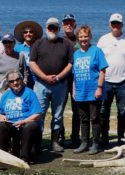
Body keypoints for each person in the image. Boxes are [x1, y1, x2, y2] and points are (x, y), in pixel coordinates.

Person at [30, 17, 74, 153]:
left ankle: (54, 142)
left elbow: (70, 64)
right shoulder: (38, 43)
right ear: (46, 28)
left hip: (60, 85)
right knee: (39, 114)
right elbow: (32, 63)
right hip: (41, 84)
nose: (52, 30)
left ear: (58, 29)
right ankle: (38, 143)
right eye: (50, 27)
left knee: (58, 115)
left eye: (55, 27)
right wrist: (44, 77)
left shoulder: (66, 44)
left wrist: (59, 76)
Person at [97, 13, 125, 147]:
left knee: (122, 111)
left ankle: (121, 136)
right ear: (109, 24)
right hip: (106, 82)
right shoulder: (103, 40)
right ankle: (105, 137)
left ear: (122, 25)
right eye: (113, 23)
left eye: (118, 23)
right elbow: (97, 59)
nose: (115, 26)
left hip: (123, 83)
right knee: (104, 111)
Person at [72, 25, 108, 154]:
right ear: (78, 38)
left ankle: (95, 144)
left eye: (85, 36)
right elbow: (74, 75)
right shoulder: (76, 54)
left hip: (93, 91)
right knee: (84, 119)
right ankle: (84, 143)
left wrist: (99, 88)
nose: (83, 39)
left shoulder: (96, 51)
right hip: (80, 91)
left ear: (90, 37)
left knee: (95, 118)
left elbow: (102, 70)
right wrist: (74, 90)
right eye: (81, 36)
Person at [0, 71, 41, 164]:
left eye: (17, 79)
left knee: (30, 126)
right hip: (11, 124)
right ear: (8, 83)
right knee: (1, 127)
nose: (15, 83)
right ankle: (3, 158)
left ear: (22, 80)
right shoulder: (5, 95)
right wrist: (2, 117)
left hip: (25, 124)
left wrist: (23, 121)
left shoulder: (30, 93)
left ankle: (25, 158)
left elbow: (37, 114)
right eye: (11, 81)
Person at [0, 33, 28, 105]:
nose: (8, 44)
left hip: (18, 88)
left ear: (14, 43)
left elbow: (25, 72)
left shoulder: (20, 56)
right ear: (3, 44)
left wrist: (24, 84)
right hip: (3, 89)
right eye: (5, 42)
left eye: (10, 42)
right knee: (5, 111)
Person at [62, 13, 81, 148]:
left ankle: (75, 136)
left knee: (77, 110)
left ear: (74, 24)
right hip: (62, 80)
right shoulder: (58, 40)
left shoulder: (80, 40)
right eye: (66, 23)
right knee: (59, 110)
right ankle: (60, 136)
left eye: (71, 22)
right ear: (63, 25)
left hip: (77, 80)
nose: (68, 25)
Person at [14, 20, 43, 89]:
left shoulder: (40, 46)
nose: (28, 34)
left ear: (35, 34)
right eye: (25, 32)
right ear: (22, 34)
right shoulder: (17, 48)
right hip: (23, 80)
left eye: (31, 32)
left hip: (38, 80)